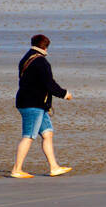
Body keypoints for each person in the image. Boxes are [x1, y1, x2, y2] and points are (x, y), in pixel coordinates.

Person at [10, 33, 72, 178]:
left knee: (48, 133)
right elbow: (49, 84)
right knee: (29, 136)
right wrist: (64, 94)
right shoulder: (41, 62)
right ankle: (16, 169)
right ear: (46, 46)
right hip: (32, 104)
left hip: (33, 103)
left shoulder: (26, 58)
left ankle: (54, 167)